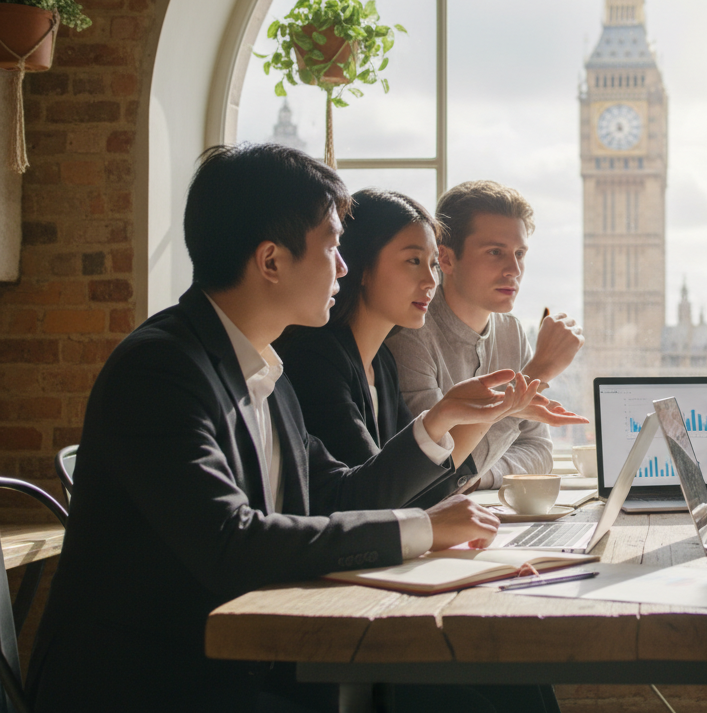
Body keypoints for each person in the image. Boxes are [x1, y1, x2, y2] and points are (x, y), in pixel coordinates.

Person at [27, 144, 538, 712]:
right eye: (332, 246)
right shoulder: (161, 369)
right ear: (271, 261)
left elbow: (340, 492)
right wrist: (421, 528)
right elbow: (231, 542)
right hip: (161, 683)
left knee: (512, 682)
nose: (343, 266)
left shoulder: (265, 369)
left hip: (257, 657)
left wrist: (440, 425)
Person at [278, 188, 588, 509]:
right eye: (414, 261)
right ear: (360, 265)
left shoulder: (380, 362)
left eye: (520, 254)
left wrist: (471, 463)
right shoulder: (329, 357)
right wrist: (528, 383)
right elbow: (377, 493)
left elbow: (418, 481)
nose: (430, 280)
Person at [387, 180, 585, 489]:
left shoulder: (512, 333)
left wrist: (477, 477)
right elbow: (436, 471)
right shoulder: (411, 335)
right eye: (495, 252)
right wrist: (539, 372)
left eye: (520, 253)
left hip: (481, 509)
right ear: (446, 259)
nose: (514, 270)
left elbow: (539, 451)